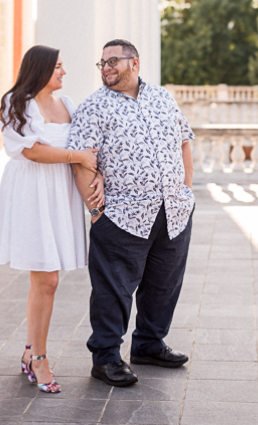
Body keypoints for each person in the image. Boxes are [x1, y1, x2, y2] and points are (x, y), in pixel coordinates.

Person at [67, 39, 195, 388]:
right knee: (113, 291)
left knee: (163, 285)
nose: (106, 67)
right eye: (102, 63)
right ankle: (106, 357)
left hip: (173, 213)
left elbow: (185, 140)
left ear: (134, 63)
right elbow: (80, 160)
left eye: (113, 61)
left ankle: (149, 345)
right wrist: (97, 212)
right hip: (121, 216)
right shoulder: (93, 107)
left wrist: (185, 191)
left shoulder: (163, 97)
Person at [0, 45, 104, 394]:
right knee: (47, 280)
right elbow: (31, 150)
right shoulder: (17, 103)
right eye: (57, 67)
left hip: (60, 193)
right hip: (31, 194)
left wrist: (93, 173)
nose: (63, 72)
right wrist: (78, 156)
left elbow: (88, 150)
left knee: (46, 280)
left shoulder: (68, 104)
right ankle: (38, 358)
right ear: (40, 69)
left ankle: (29, 351)